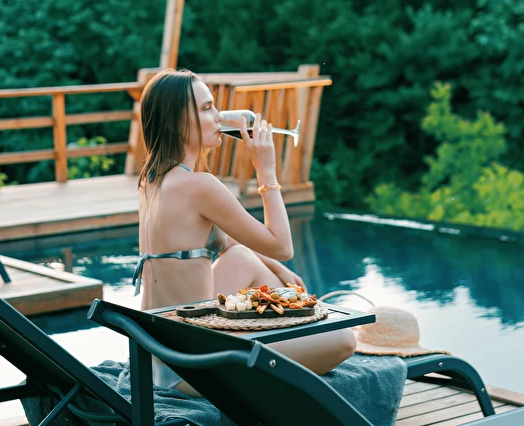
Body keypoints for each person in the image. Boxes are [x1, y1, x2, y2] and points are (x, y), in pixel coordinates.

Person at [131, 68, 356, 396]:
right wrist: (266, 170)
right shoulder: (200, 186)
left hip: (156, 349)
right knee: (344, 340)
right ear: (177, 122)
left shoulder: (151, 180)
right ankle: (283, 335)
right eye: (207, 108)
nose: (219, 116)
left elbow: (228, 242)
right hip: (189, 364)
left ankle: (280, 327)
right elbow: (283, 246)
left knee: (241, 257)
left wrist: (274, 267)